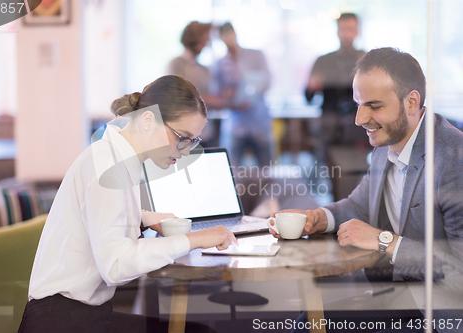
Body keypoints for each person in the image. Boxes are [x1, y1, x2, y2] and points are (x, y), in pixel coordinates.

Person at [18, 75, 238, 333]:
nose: (186, 151)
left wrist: (142, 216)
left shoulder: (117, 158)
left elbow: (98, 215)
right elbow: (116, 265)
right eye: (182, 137)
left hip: (81, 315)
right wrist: (197, 238)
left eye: (193, 141)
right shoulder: (109, 165)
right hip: (61, 322)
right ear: (147, 120)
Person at [273, 48, 463, 332]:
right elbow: (360, 205)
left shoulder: (452, 158)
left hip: (440, 315)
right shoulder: (386, 143)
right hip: (402, 297)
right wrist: (317, 217)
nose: (360, 119)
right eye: (358, 105)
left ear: (412, 102)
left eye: (374, 106)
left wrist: (385, 241)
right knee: (308, 321)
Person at [305, 13, 367, 181]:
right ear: (337, 31)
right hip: (330, 129)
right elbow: (308, 96)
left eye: (350, 29)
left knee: (359, 176)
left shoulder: (366, 60)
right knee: (332, 175)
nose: (346, 34)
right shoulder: (323, 61)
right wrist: (313, 86)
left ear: (357, 31)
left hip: (358, 128)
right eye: (343, 29)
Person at [215, 22, 272, 168]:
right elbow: (216, 93)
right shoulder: (220, 64)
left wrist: (249, 92)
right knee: (230, 167)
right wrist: (228, 95)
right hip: (235, 122)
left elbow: (267, 81)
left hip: (258, 120)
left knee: (267, 168)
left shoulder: (255, 55)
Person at [167, 21, 229, 147]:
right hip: (184, 135)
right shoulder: (176, 64)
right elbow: (179, 98)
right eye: (204, 40)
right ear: (193, 39)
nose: (206, 44)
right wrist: (212, 100)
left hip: (206, 133)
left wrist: (224, 99)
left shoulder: (205, 70)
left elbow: (212, 100)